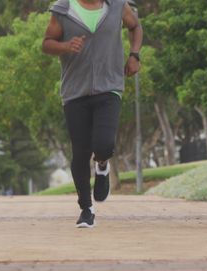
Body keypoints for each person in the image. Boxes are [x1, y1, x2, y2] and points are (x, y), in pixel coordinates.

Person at [42, 0, 143, 228]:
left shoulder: (117, 5)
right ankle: (86, 209)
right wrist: (66, 46)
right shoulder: (63, 9)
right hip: (75, 91)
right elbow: (47, 44)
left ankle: (102, 165)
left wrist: (134, 55)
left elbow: (135, 26)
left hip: (110, 86)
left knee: (104, 144)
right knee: (80, 152)